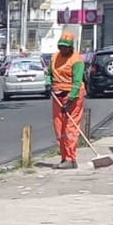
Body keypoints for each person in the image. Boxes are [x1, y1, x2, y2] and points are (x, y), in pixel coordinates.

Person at [47, 31, 86, 169]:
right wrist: (48, 83)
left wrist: (70, 101)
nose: (63, 49)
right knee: (59, 128)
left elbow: (77, 82)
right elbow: (49, 73)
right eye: (61, 47)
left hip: (73, 96)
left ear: (71, 47)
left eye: (65, 47)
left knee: (70, 127)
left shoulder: (77, 60)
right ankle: (64, 158)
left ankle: (71, 158)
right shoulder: (54, 57)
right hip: (57, 95)